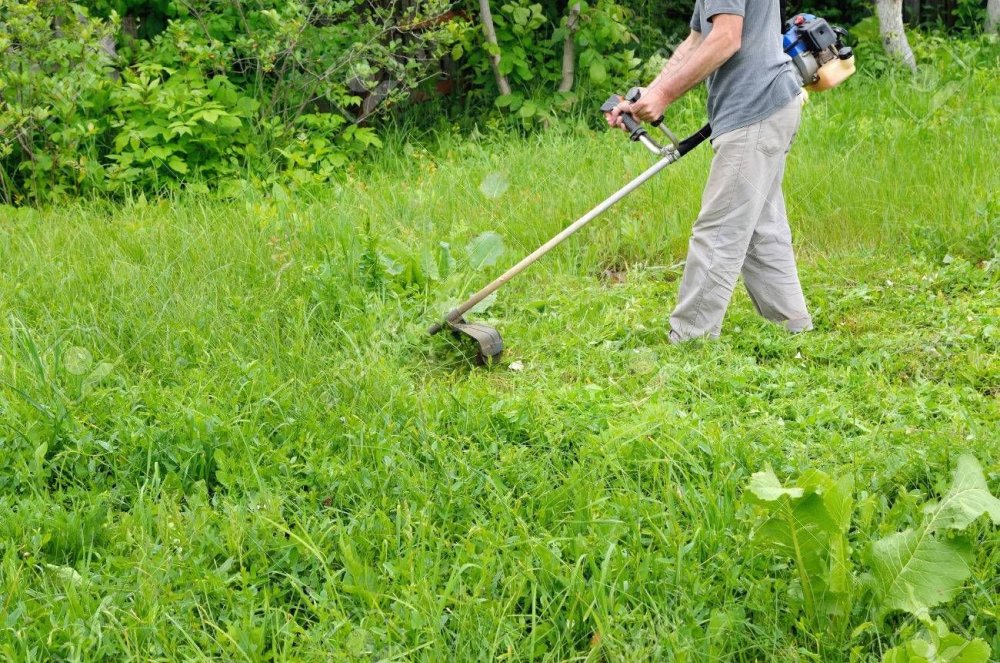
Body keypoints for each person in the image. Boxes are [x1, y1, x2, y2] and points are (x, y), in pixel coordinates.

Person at [605, 0, 813, 342]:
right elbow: (698, 39)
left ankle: (691, 339)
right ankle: (793, 326)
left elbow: (726, 38)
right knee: (761, 226)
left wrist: (664, 96)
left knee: (721, 228)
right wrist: (652, 91)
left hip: (754, 108)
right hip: (767, 105)